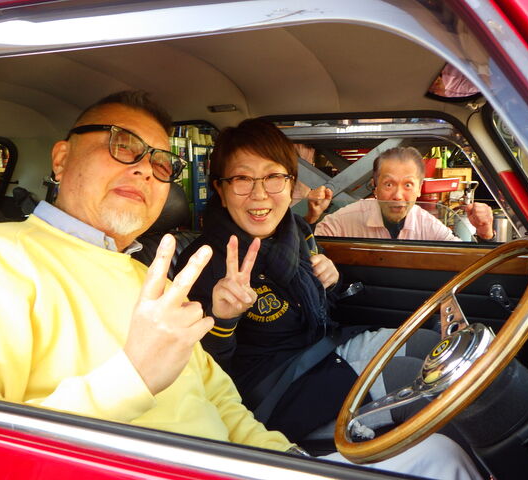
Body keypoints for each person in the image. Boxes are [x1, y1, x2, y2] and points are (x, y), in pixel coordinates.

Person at [0, 93, 481, 479]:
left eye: (161, 162)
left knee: (445, 457)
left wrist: (283, 459)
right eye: (122, 146)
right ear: (62, 158)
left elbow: (223, 401)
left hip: (247, 459)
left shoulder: (147, 273)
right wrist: (134, 375)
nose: (146, 170)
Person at [176, 118, 483, 479]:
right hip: (276, 389)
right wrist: (223, 321)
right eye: (242, 179)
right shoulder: (203, 261)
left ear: (291, 183)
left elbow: (318, 311)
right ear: (220, 188)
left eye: (274, 177)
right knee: (422, 383)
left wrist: (332, 283)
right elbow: (198, 377)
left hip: (323, 349)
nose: (259, 194)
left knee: (431, 345)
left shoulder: (296, 231)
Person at [313, 146, 495, 241]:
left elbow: (462, 261)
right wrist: (311, 218)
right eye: (389, 184)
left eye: (408, 185)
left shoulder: (427, 224)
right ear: (375, 186)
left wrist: (485, 233)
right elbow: (310, 249)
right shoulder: (344, 220)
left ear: (419, 188)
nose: (398, 195)